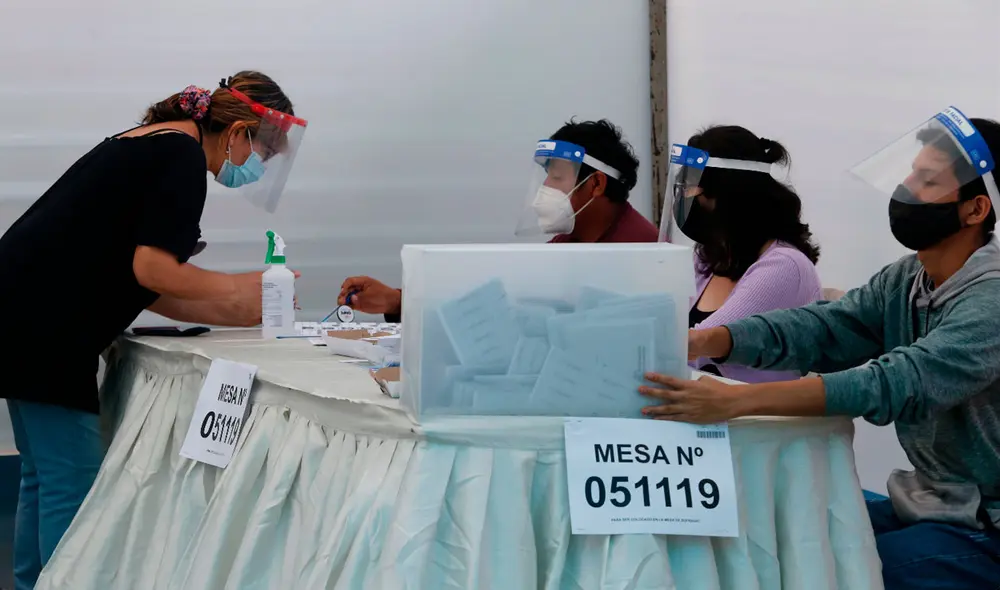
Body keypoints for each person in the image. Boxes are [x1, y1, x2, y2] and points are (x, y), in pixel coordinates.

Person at [640, 110, 1000, 589]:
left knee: (834, 569)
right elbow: (827, 327)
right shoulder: (906, 279)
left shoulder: (990, 299)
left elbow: (899, 380)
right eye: (910, 172)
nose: (905, 188)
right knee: (787, 536)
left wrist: (737, 400)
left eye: (926, 180)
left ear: (975, 210)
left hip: (985, 524)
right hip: (931, 501)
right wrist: (713, 338)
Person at [0, 71, 306, 589]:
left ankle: (35, 583)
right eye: (263, 154)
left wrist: (235, 312)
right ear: (238, 133)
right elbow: (154, 271)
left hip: (21, 314)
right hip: (45, 330)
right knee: (72, 480)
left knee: (43, 474)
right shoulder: (180, 157)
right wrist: (240, 288)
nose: (256, 169)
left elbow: (136, 279)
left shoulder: (154, 142)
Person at [338, 118, 658, 320]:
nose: (545, 189)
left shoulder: (641, 252)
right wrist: (398, 301)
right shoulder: (571, 240)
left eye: (557, 177)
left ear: (596, 184)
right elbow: (504, 298)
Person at [664, 126, 822, 382]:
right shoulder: (710, 258)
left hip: (754, 419)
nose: (682, 200)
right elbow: (663, 319)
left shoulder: (784, 267)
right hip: (701, 410)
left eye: (690, 189)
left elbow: (696, 346)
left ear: (727, 193)